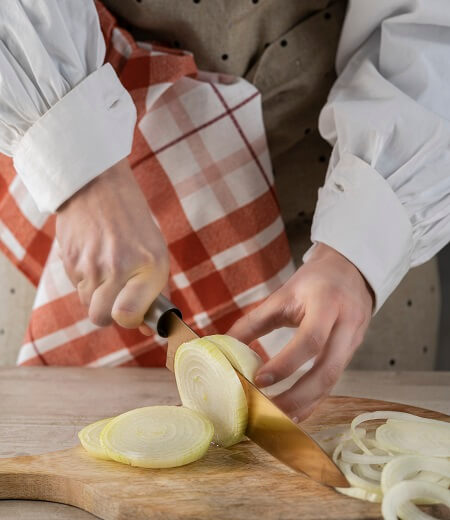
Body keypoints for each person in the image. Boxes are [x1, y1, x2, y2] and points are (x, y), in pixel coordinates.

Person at [0, 0, 449, 420]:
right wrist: (82, 166)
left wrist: (360, 246)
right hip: (56, 179)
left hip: (353, 213)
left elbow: (433, 31)